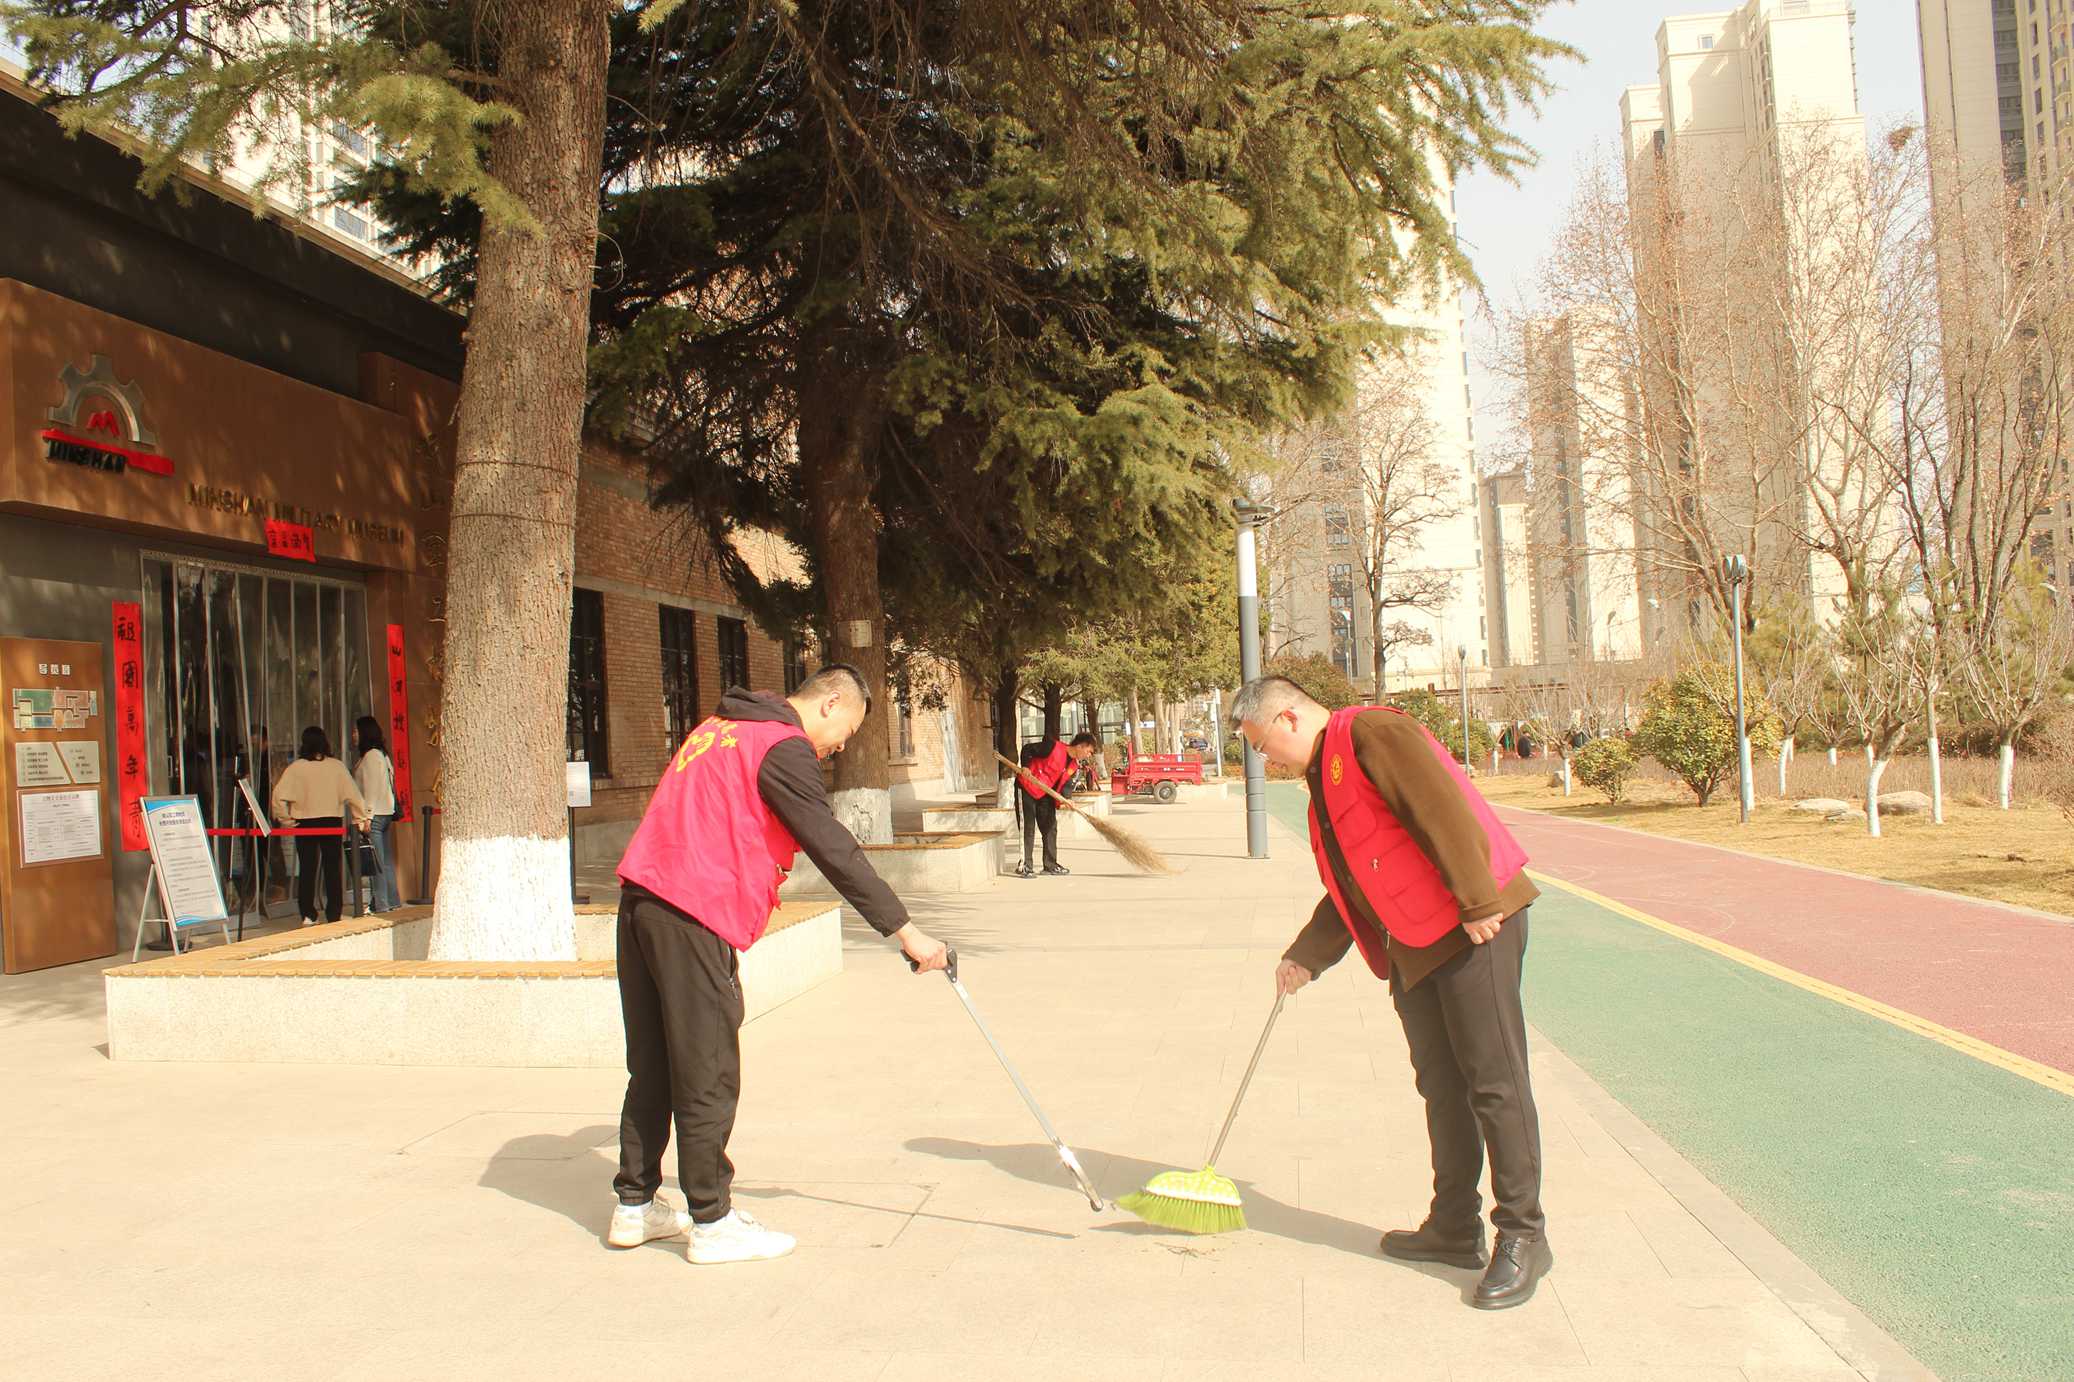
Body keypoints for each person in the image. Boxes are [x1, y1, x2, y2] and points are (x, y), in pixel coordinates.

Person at [611, 665, 949, 1265]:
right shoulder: (781, 744)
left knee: (656, 1062)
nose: (841, 745)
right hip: (693, 910)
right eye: (846, 729)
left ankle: (635, 1206)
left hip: (641, 900)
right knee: (707, 1068)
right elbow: (830, 843)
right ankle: (711, 1221)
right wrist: (906, 932)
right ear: (832, 701)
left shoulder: (719, 727)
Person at [1233, 676, 1551, 1310]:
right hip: (1417, 943)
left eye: (1262, 744)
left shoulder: (1372, 734)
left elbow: (1443, 810)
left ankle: (1522, 1234)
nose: (1264, 761)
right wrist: (1307, 956)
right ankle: (1454, 1225)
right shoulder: (1322, 780)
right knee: (1441, 1083)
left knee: (1494, 1081)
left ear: (1290, 719)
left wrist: (1477, 898)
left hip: (1473, 926)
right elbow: (1354, 881)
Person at [271, 725, 371, 927]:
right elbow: (353, 795)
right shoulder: (336, 766)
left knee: (307, 868)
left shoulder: (296, 768)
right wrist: (361, 818)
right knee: (332, 868)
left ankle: (308, 914)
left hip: (304, 822)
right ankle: (334, 912)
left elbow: (278, 796)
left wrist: (285, 819)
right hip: (331, 821)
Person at [1012, 731, 1098, 878]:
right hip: (1026, 787)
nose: (1089, 755)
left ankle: (1050, 864)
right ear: (1080, 746)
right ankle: (1025, 865)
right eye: (1089, 751)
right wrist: (1025, 766)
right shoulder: (1052, 746)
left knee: (1050, 827)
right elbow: (1028, 749)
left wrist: (1067, 800)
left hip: (1045, 794)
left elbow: (1065, 787)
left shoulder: (1073, 766)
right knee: (1028, 827)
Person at [352, 716, 401, 913]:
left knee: (377, 863)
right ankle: (392, 900)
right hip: (385, 813)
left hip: (375, 815)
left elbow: (371, 789)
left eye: (355, 731)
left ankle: (381, 904)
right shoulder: (382, 755)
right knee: (385, 861)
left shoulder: (371, 756)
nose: (353, 736)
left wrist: (367, 817)